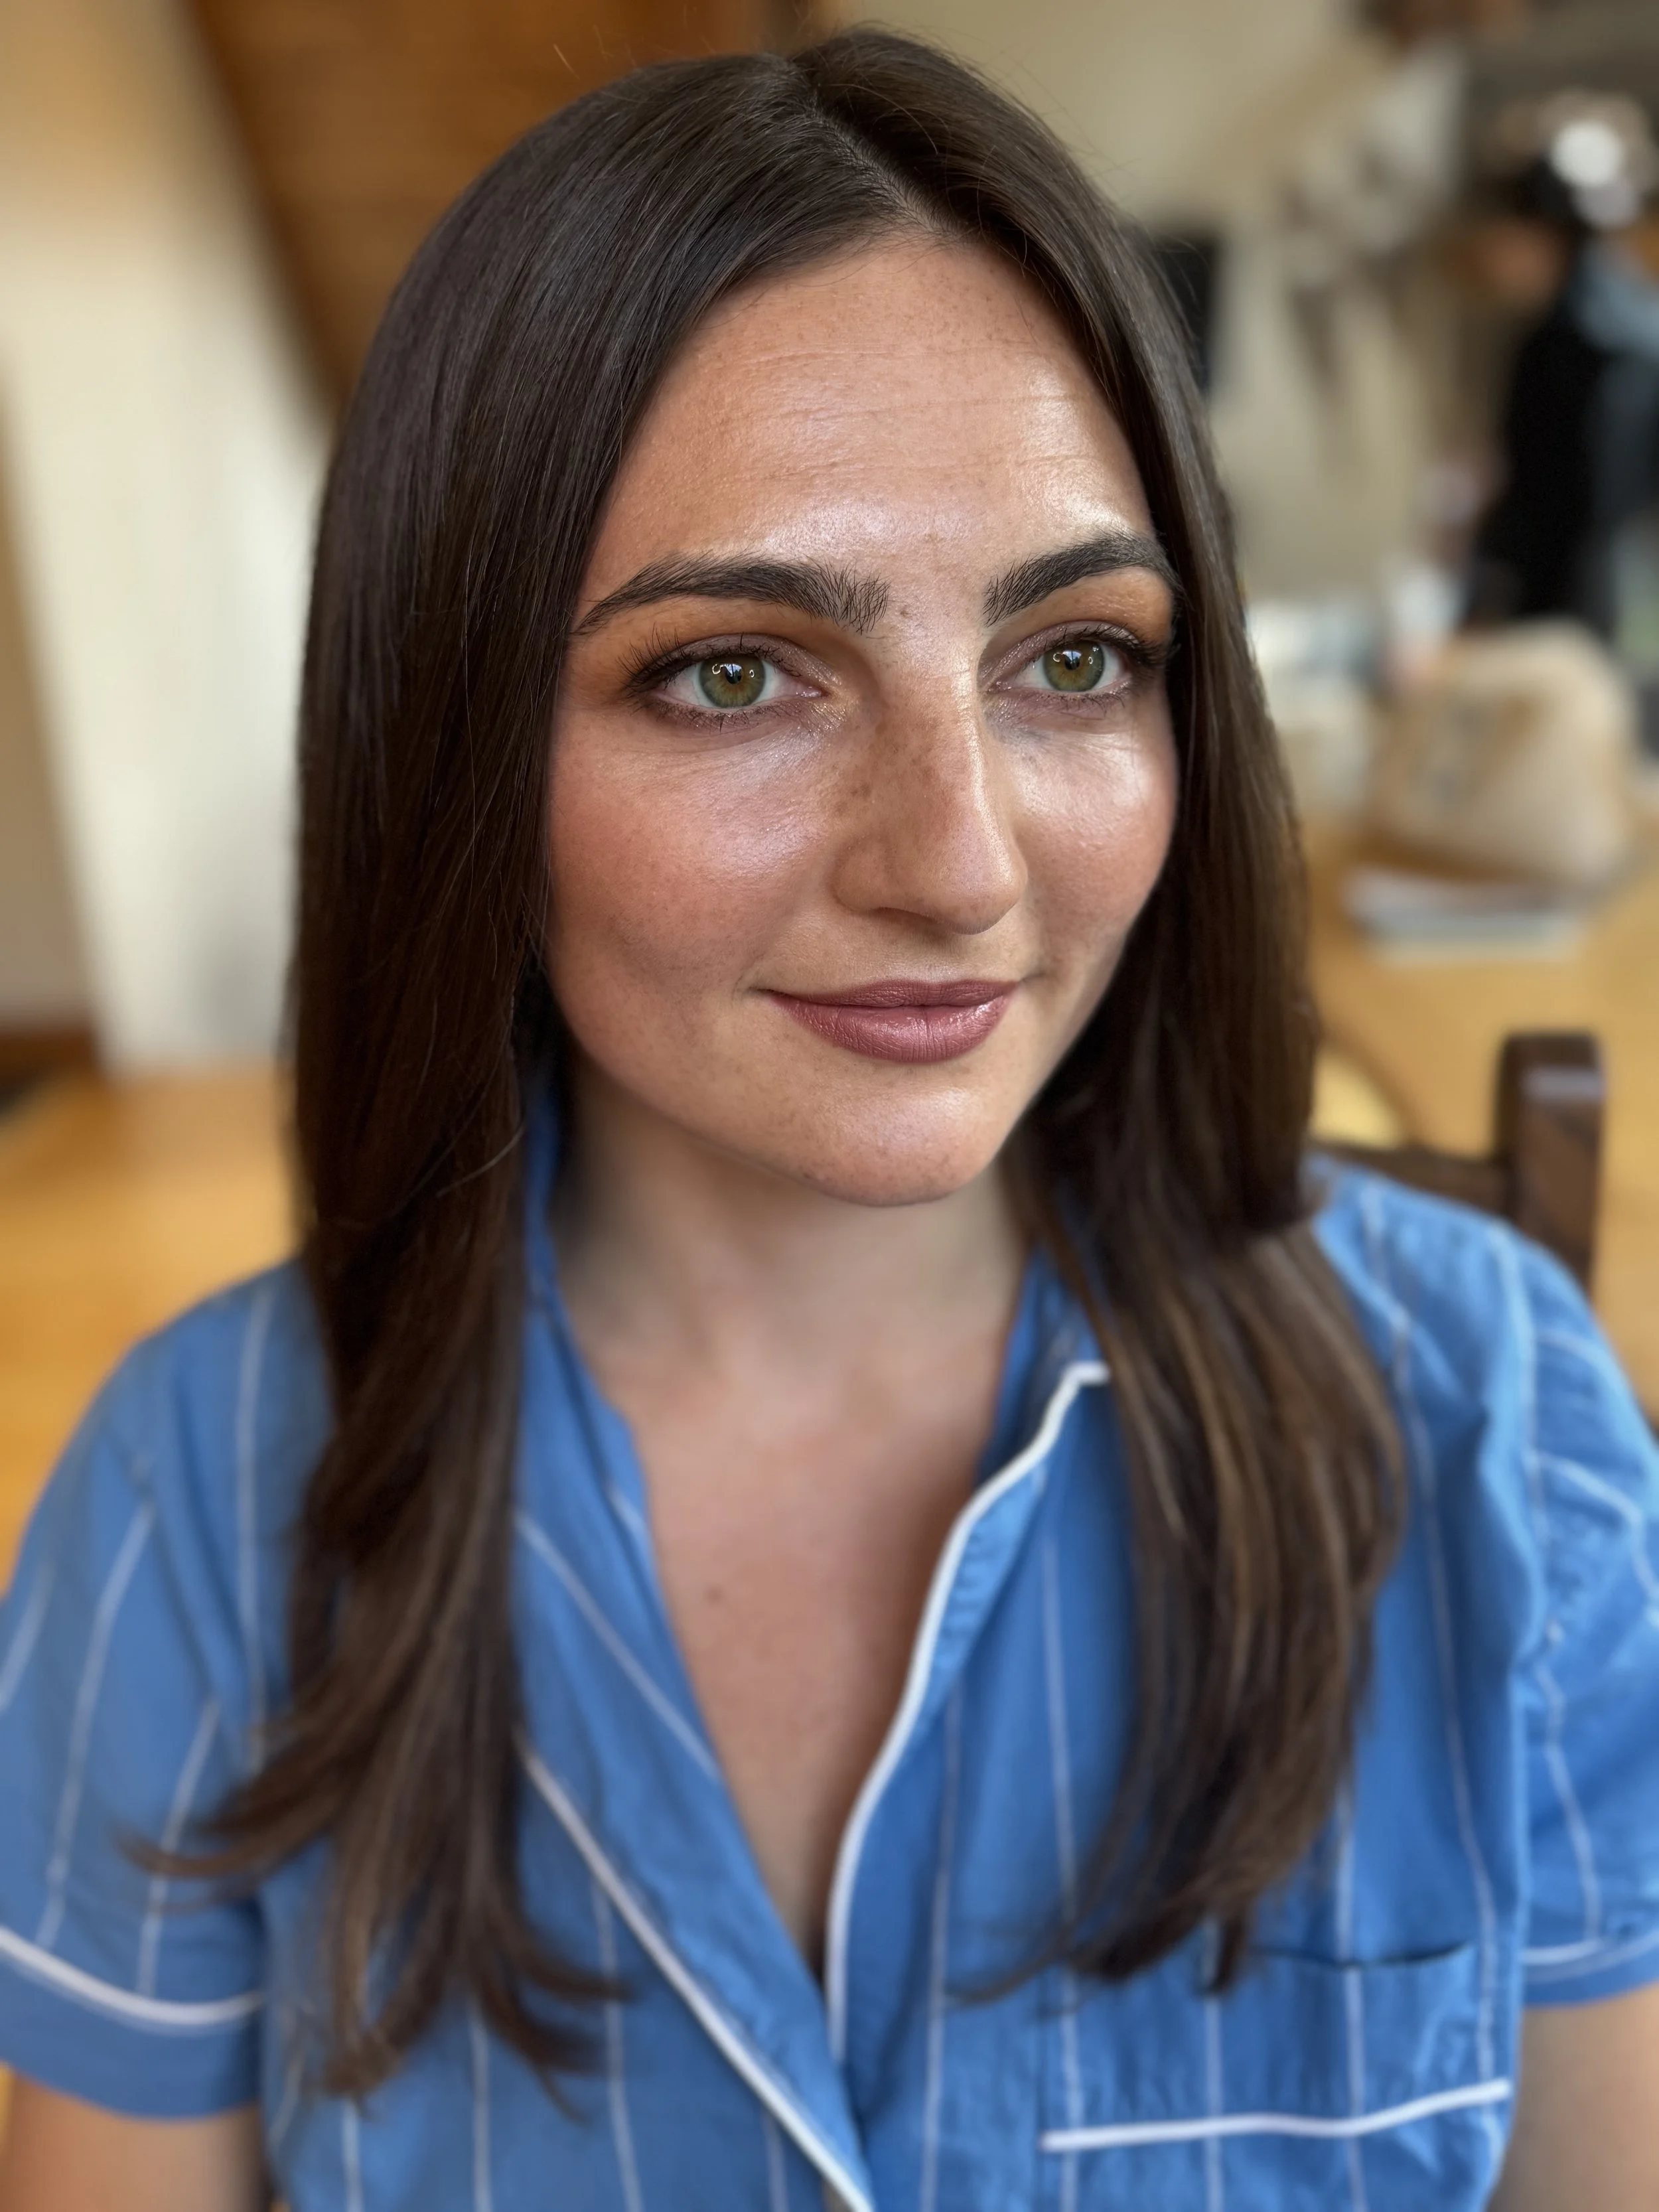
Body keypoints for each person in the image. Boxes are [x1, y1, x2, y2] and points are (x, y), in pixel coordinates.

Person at [1, 32, 1656, 2212]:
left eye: (1072, 655)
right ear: (461, 748)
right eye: (732, 672)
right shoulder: (196, 1512)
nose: (955, 863)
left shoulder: (1494, 1434)